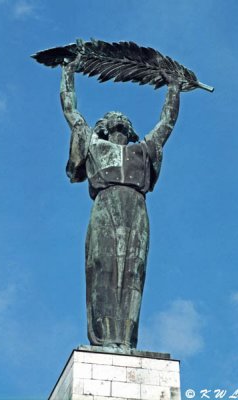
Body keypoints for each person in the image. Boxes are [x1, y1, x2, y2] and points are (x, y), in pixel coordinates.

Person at [60, 55, 181, 351]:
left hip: (136, 208)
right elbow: (71, 111)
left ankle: (126, 340)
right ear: (104, 127)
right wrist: (68, 73)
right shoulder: (94, 144)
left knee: (132, 271)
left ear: (130, 130)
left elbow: (166, 124)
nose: (120, 119)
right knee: (103, 268)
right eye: (114, 118)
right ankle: (104, 338)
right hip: (105, 204)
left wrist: (173, 89)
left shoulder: (143, 150)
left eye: (124, 120)